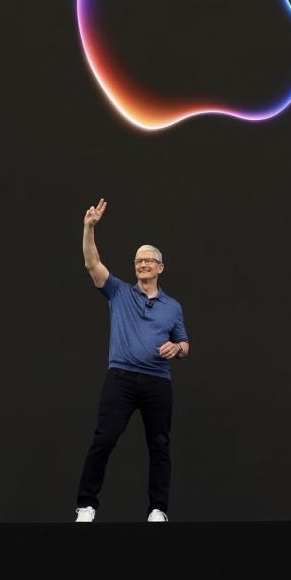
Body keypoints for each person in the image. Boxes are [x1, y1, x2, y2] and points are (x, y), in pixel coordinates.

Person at [75, 198, 189, 523]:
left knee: (159, 445)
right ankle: (86, 505)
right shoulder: (119, 293)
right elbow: (91, 264)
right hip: (122, 378)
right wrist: (89, 228)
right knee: (104, 438)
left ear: (160, 267)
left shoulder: (172, 307)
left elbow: (184, 344)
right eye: (138, 261)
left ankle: (158, 510)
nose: (141, 265)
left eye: (148, 261)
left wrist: (176, 349)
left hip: (157, 382)